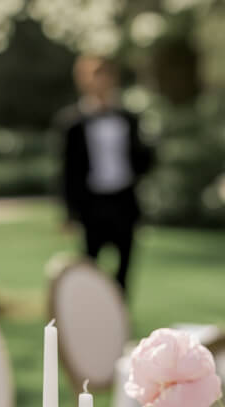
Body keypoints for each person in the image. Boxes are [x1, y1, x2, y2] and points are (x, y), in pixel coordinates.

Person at [58, 56, 154, 291]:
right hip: (92, 203)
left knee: (124, 267)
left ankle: (120, 319)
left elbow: (142, 160)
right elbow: (67, 170)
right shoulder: (73, 123)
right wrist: (69, 212)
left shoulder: (128, 118)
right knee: (89, 267)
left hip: (123, 200)